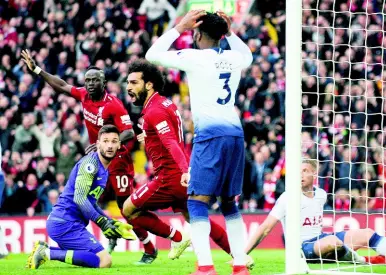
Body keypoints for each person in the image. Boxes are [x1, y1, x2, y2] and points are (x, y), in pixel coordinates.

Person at [20, 50, 154, 264]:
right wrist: (37, 70)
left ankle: (148, 248)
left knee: (126, 205)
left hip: (115, 159)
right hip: (97, 157)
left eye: (95, 80)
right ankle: (103, 238)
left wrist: (108, 142)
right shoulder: (83, 95)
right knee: (89, 195)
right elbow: (62, 86)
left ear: (104, 82)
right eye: (88, 80)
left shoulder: (113, 105)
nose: (90, 84)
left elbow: (129, 132)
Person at [145, 10, 253, 275]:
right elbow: (248, 56)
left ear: (197, 33)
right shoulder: (234, 56)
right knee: (229, 203)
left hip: (211, 135)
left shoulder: (195, 57)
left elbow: (151, 55)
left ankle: (205, 267)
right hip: (235, 134)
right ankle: (240, 265)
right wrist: (230, 33)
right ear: (222, 35)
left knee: (196, 201)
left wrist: (178, 27)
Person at [123, 59, 239, 263]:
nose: (128, 87)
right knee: (197, 219)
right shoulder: (165, 103)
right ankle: (238, 255)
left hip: (169, 177)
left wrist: (185, 170)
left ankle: (176, 238)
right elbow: (169, 137)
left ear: (149, 84)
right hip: (179, 175)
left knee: (129, 209)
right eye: (128, 83)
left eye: (134, 83)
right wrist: (149, 137)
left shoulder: (155, 111)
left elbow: (170, 143)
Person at [244, 159, 386, 267]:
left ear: (314, 174)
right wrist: (242, 254)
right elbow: (265, 228)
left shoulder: (320, 194)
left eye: (305, 171)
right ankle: (365, 261)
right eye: (298, 171)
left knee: (367, 233)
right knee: (334, 242)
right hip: (301, 248)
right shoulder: (288, 197)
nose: (300, 175)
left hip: (320, 238)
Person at [26, 125, 135, 269]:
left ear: (119, 145)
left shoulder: (104, 169)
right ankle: (46, 253)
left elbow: (91, 202)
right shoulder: (90, 164)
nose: (110, 145)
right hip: (64, 222)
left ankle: (45, 250)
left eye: (114, 141)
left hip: (70, 223)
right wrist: (103, 222)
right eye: (106, 141)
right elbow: (79, 198)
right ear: (98, 144)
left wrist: (110, 222)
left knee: (96, 258)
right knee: (104, 261)